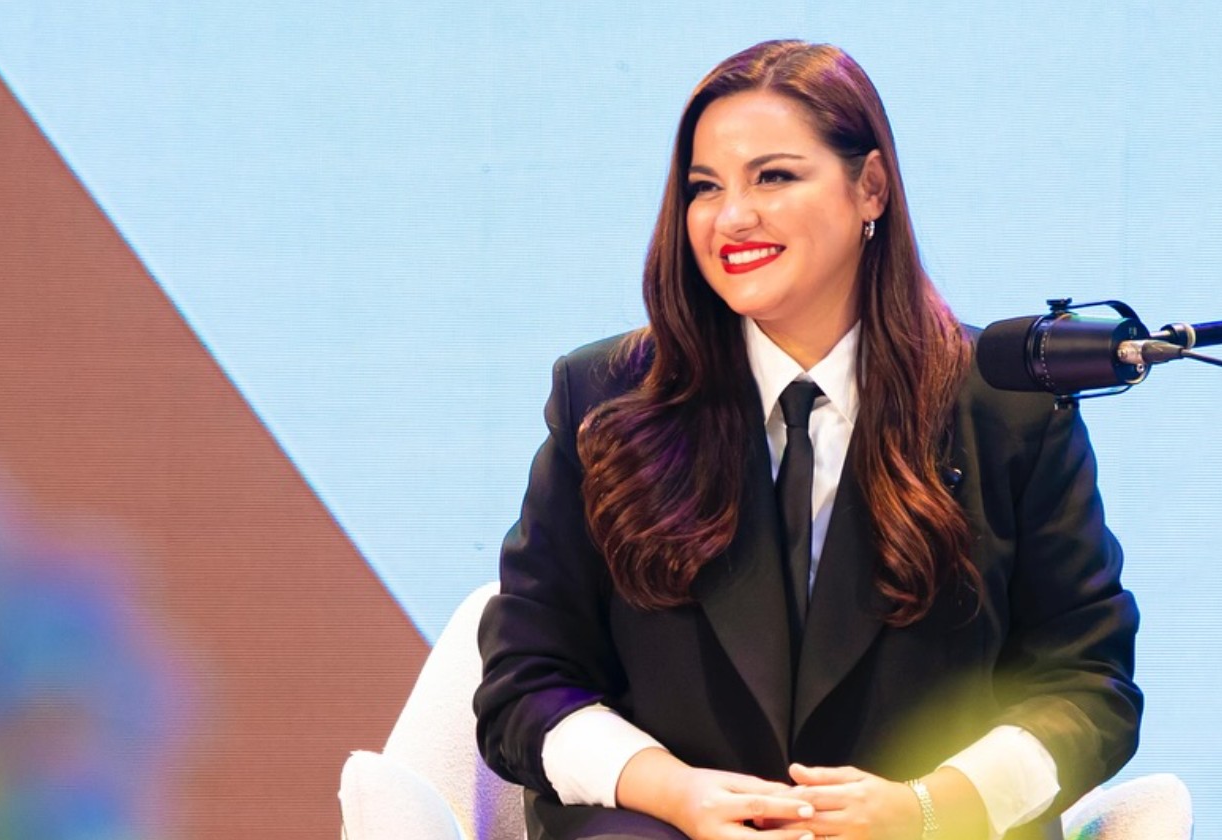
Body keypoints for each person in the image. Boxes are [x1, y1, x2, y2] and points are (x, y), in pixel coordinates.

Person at [474, 40, 1140, 840]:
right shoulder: (603, 397)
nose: (731, 217)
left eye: (772, 177)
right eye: (704, 187)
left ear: (870, 187)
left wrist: (931, 806)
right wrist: (672, 792)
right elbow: (526, 685)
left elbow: (1085, 686)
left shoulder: (1008, 404)